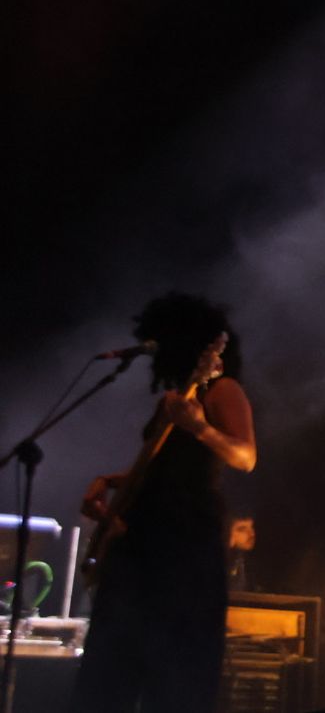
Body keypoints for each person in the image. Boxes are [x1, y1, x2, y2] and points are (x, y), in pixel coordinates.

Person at [71, 292, 257, 713]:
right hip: (140, 548)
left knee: (175, 683)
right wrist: (108, 482)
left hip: (185, 554)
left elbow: (246, 456)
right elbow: (162, 472)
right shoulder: (172, 400)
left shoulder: (221, 391)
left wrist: (199, 427)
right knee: (106, 680)